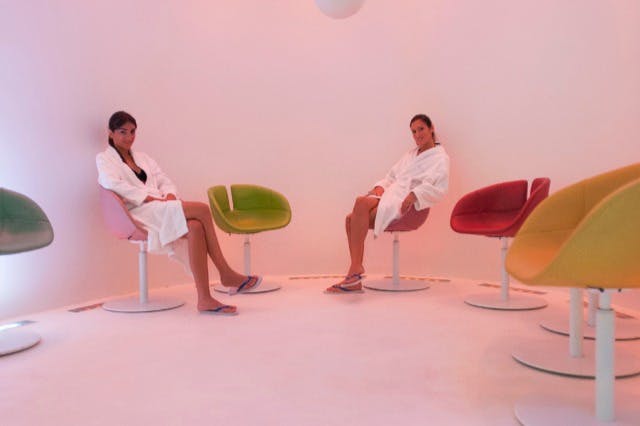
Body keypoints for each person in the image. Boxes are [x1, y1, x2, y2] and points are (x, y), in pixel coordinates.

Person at [96, 111, 262, 314]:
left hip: (160, 207)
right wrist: (149, 198)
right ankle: (226, 273)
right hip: (138, 212)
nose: (129, 137)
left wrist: (170, 195)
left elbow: (163, 179)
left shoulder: (143, 158)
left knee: (195, 227)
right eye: (123, 132)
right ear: (110, 133)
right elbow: (110, 183)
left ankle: (204, 299)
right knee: (202, 209)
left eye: (132, 132)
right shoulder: (104, 159)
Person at [326, 114, 450, 293]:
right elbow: (391, 176)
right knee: (358, 204)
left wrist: (414, 194)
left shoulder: (440, 158)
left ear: (431, 129)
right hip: (391, 194)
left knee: (351, 219)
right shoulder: (410, 155)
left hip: (406, 203)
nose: (417, 135)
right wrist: (379, 188)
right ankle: (355, 272)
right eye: (413, 132)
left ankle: (354, 276)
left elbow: (439, 188)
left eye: (421, 129)